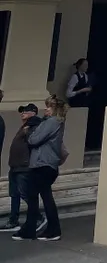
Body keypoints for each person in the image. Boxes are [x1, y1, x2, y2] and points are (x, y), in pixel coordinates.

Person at [13, 96, 67, 243]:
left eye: (49, 107)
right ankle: (39, 228)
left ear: (55, 109)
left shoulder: (52, 122)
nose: (46, 109)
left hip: (44, 164)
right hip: (43, 164)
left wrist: (30, 133)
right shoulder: (53, 122)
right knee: (40, 196)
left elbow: (34, 139)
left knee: (38, 197)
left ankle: (46, 229)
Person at [0, 104, 46, 235]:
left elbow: (34, 142)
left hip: (24, 167)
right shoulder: (24, 127)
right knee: (14, 194)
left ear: (34, 113)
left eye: (26, 111)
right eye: (22, 111)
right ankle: (13, 220)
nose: (23, 113)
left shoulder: (33, 126)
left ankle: (39, 217)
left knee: (25, 194)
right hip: (15, 166)